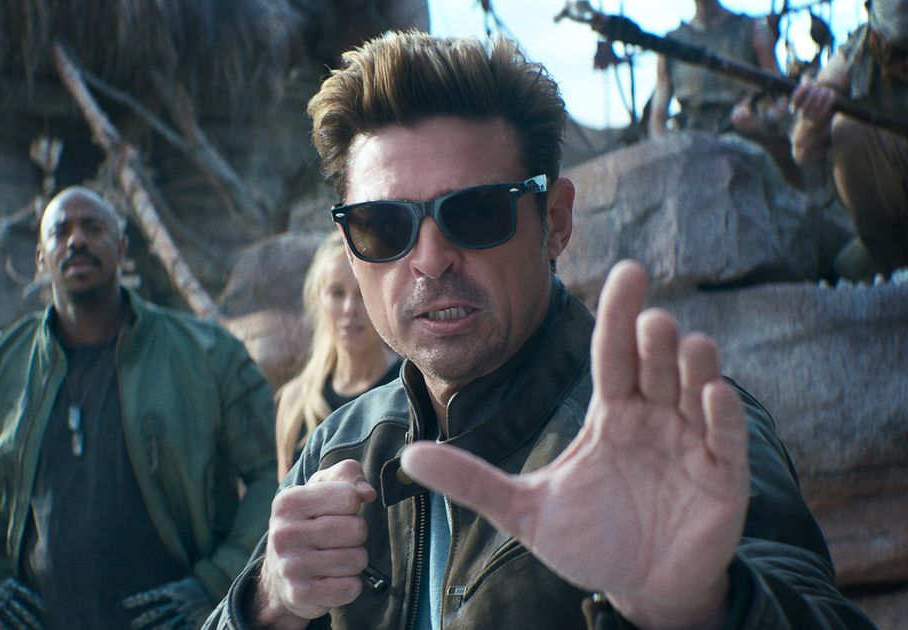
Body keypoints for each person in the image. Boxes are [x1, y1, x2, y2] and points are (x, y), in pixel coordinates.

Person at [205, 31, 875, 629]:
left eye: (477, 212)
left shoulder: (675, 431)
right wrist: (265, 604)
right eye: (383, 225)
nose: (431, 259)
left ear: (554, 222)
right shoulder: (338, 445)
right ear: (352, 250)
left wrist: (697, 609)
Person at [0, 186, 277, 629]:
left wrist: (216, 580)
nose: (77, 240)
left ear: (122, 248)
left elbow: (271, 471)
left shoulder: (208, 356)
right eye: (61, 232)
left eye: (93, 227)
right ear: (41, 257)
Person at [791, 0, 908, 278]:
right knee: (848, 129)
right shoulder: (859, 51)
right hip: (895, 229)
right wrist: (812, 116)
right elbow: (802, 150)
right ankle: (892, 269)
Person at [275, 233, 400, 478]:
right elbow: (285, 496)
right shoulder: (295, 401)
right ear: (318, 299)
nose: (349, 309)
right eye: (337, 293)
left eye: (362, 292)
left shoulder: (411, 390)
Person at [650, 0, 782, 137]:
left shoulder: (754, 30)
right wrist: (664, 144)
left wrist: (759, 122)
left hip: (742, 138)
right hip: (690, 139)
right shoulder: (672, 44)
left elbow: (781, 99)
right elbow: (657, 120)